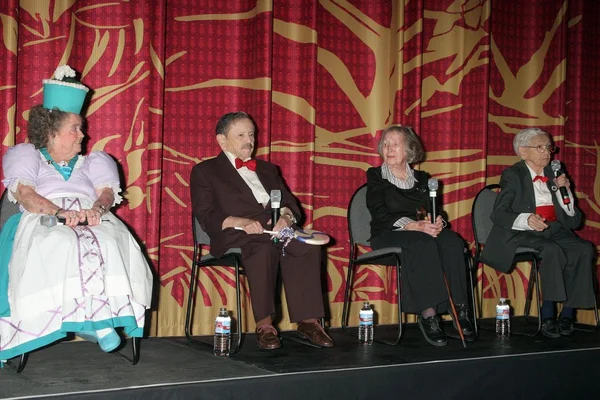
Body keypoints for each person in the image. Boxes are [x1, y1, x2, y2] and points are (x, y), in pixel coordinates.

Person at [0, 65, 153, 359]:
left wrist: (98, 208)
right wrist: (59, 213)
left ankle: (98, 319)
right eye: (75, 129)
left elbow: (106, 193)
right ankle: (94, 321)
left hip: (90, 216)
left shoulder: (93, 162)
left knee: (111, 241)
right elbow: (26, 195)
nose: (83, 134)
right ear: (51, 133)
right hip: (45, 216)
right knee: (62, 243)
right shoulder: (28, 156)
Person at [190, 111, 333, 350]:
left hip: (277, 230)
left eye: (251, 134)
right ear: (222, 141)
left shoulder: (268, 169)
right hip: (238, 233)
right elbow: (206, 215)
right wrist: (241, 221)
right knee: (263, 247)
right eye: (241, 135)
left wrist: (287, 218)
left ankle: (308, 322)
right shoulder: (205, 171)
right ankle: (265, 324)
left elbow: (291, 204)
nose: (249, 140)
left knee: (306, 245)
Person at [481, 128, 596, 339]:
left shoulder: (555, 173)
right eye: (540, 147)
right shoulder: (513, 174)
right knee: (551, 250)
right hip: (523, 231)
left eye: (549, 148)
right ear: (523, 152)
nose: (547, 153)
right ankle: (548, 314)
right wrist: (527, 219)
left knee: (583, 248)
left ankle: (568, 314)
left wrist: (565, 192)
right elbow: (499, 214)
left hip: (555, 228)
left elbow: (573, 221)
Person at [366, 125, 474, 347]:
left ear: (409, 149)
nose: (389, 148)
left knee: (452, 242)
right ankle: (429, 314)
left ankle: (460, 309)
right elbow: (379, 212)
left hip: (422, 230)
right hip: (389, 232)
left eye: (395, 144)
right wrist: (412, 225)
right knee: (422, 243)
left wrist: (438, 221)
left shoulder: (423, 178)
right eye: (385, 144)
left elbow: (437, 209)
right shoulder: (375, 175)